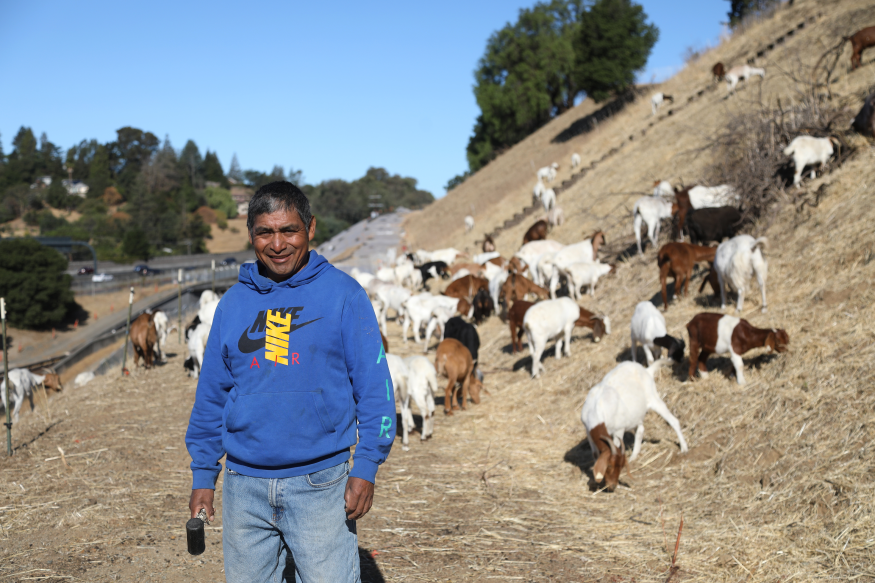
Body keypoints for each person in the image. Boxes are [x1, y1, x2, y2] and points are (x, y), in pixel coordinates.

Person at [185, 181, 395, 582]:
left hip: (320, 483)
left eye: (289, 230)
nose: (277, 244)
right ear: (251, 235)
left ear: (311, 228)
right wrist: (202, 475)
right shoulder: (233, 305)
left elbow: (375, 390)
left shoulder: (344, 295)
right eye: (265, 232)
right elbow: (212, 395)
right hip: (243, 486)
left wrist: (366, 466)